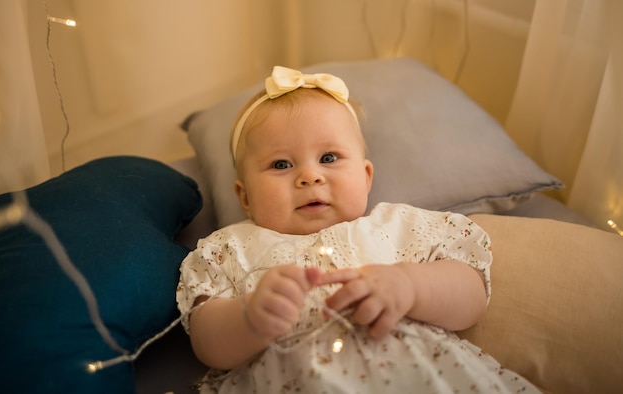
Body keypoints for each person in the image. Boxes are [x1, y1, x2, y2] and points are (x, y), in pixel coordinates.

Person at [176, 66, 540, 393]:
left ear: (365, 177)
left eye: (329, 158)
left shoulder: (399, 225)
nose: (310, 176)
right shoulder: (231, 247)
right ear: (246, 197)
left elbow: (472, 295)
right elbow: (208, 344)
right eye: (281, 164)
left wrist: (411, 286)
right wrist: (249, 316)